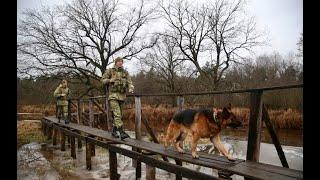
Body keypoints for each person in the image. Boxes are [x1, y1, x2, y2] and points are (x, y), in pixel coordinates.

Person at [101, 57, 134, 140]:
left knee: (119, 115)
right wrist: (110, 80)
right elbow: (102, 80)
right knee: (117, 114)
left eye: (121, 61)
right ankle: (121, 132)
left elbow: (130, 82)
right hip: (113, 96)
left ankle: (114, 131)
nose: (120, 63)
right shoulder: (110, 71)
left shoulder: (125, 72)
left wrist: (131, 87)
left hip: (122, 96)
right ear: (116, 62)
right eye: (118, 61)